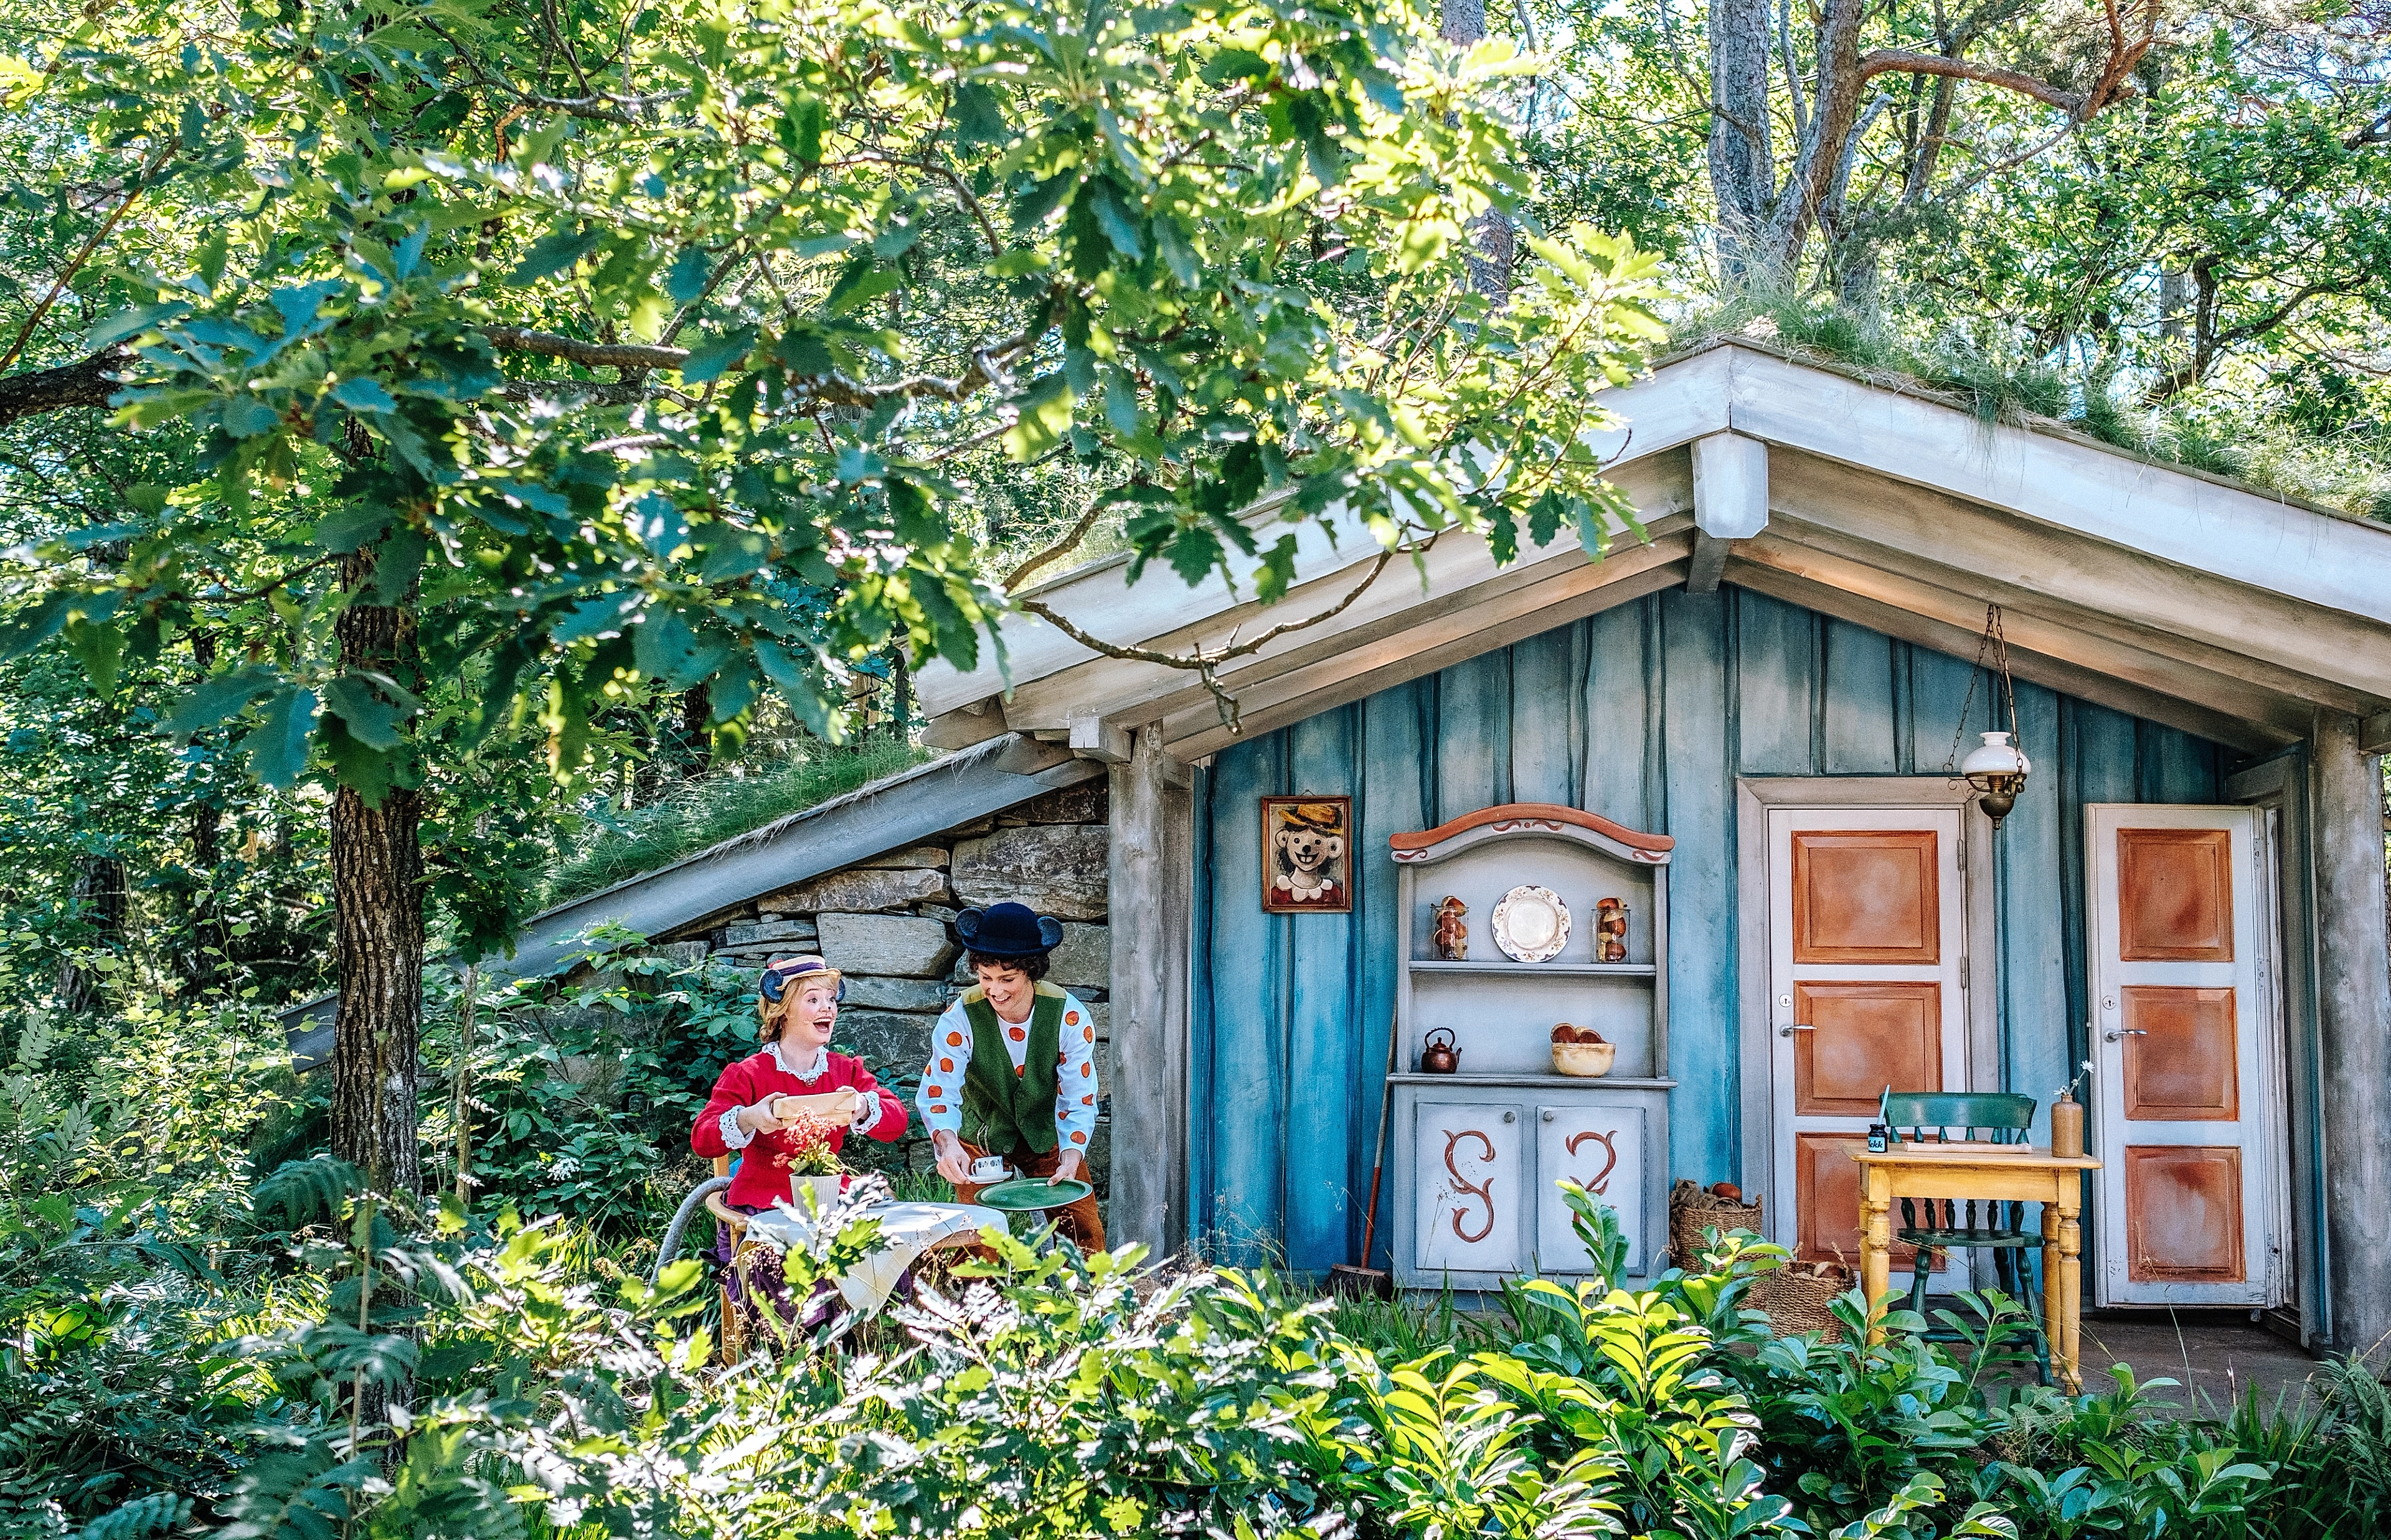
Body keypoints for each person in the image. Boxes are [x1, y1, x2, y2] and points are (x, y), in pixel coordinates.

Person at [692, 955, 908, 1314]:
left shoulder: (844, 1071)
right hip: (764, 1206)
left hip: (832, 1201)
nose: (828, 1008)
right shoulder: (749, 1074)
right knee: (796, 1283)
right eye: (813, 999)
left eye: (831, 999)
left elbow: (896, 1123)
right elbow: (703, 1138)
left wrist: (862, 1106)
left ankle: (869, 1340)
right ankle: (802, 1345)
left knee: (886, 1252)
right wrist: (750, 1117)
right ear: (783, 1011)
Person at [918, 902, 1106, 1251]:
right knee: (977, 1234)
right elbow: (939, 1090)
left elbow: (1078, 1095)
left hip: (1045, 1129)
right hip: (981, 1130)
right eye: (985, 978)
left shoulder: (1069, 1017)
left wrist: (1072, 1153)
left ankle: (1088, 1286)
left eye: (1007, 980)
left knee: (1081, 1225)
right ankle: (980, 1287)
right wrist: (948, 1143)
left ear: (1031, 973)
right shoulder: (959, 1018)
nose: (996, 990)